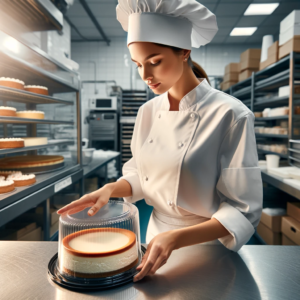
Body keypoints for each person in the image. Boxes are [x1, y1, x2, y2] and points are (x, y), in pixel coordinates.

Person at [57, 0, 263, 283]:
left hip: (207, 249)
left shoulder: (231, 114)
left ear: (184, 51)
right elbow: (144, 176)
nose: (145, 75)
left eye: (154, 62)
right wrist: (110, 188)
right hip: (153, 241)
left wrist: (177, 238)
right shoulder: (148, 112)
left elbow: (243, 209)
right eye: (138, 64)